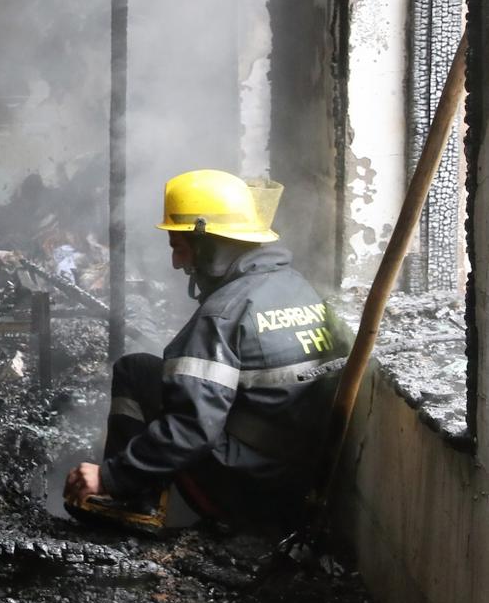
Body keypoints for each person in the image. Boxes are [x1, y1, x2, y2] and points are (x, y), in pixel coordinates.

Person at [63, 170, 351, 531]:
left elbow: (193, 430)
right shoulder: (297, 287)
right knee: (142, 368)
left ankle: (132, 500)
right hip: (297, 479)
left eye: (179, 247)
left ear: (211, 245)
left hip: (245, 490)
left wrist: (110, 476)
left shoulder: (223, 315)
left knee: (132, 372)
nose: (176, 263)